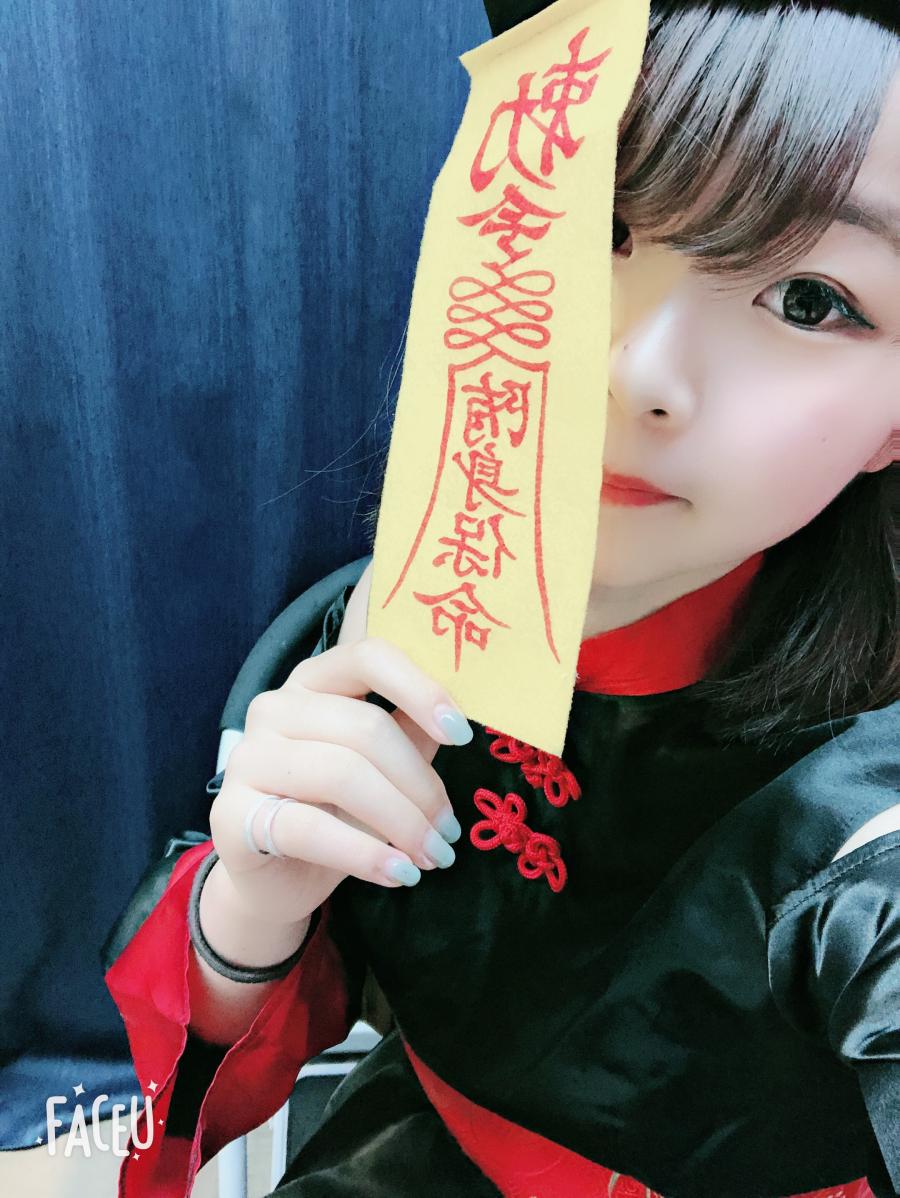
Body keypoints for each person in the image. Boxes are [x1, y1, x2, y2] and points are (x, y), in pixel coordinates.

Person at [102, 1, 900, 1195]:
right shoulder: (371, 635)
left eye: (808, 299)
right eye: (601, 227)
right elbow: (201, 1081)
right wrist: (250, 909)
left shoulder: (866, 803)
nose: (637, 371)